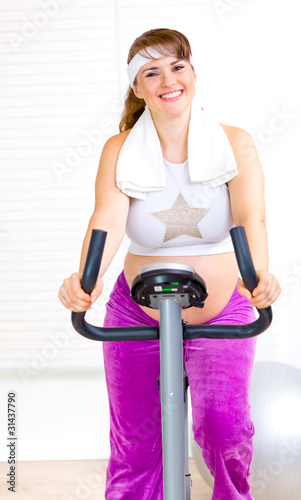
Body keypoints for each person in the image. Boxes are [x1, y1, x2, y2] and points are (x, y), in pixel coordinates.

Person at [58, 28, 281, 500]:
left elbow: (251, 217)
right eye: (151, 72)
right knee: (135, 442)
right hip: (136, 313)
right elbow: (107, 220)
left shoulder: (234, 143)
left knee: (225, 430)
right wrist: (85, 282)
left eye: (177, 67)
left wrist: (258, 276)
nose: (167, 80)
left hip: (221, 311)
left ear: (193, 74)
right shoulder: (120, 149)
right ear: (137, 88)